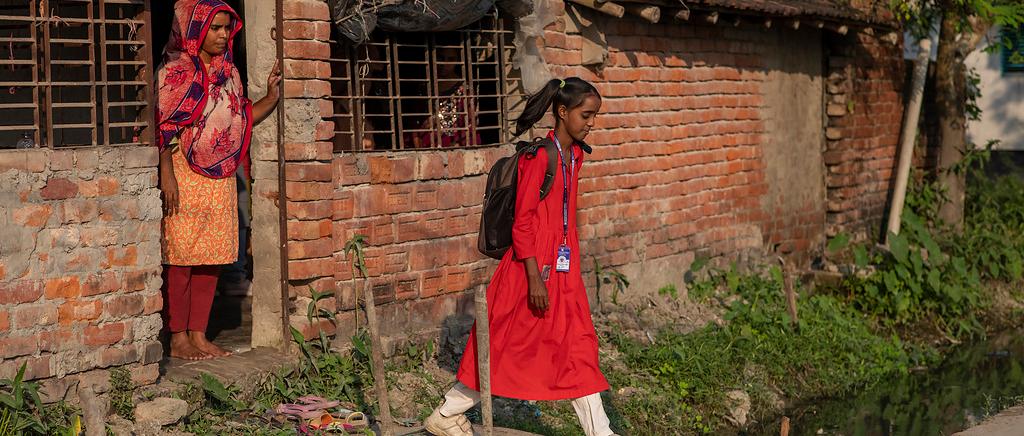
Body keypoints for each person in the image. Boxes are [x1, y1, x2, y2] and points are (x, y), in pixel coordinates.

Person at [424, 78, 618, 436]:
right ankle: (447, 413)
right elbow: (523, 222)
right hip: (530, 270)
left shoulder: (575, 155)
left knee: (577, 345)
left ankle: (600, 432)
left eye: (595, 116)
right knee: (505, 345)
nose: (592, 123)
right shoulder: (540, 157)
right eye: (586, 115)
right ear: (563, 112)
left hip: (562, 268)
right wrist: (534, 280)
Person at [156, 0, 280, 361]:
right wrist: (167, 174)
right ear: (195, 29)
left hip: (220, 174)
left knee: (211, 256)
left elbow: (241, 116)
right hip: (183, 172)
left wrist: (271, 98)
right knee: (180, 256)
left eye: (227, 27)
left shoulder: (230, 73)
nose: (223, 35)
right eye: (215, 27)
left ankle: (199, 334)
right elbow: (162, 127)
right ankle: (177, 337)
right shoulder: (175, 71)